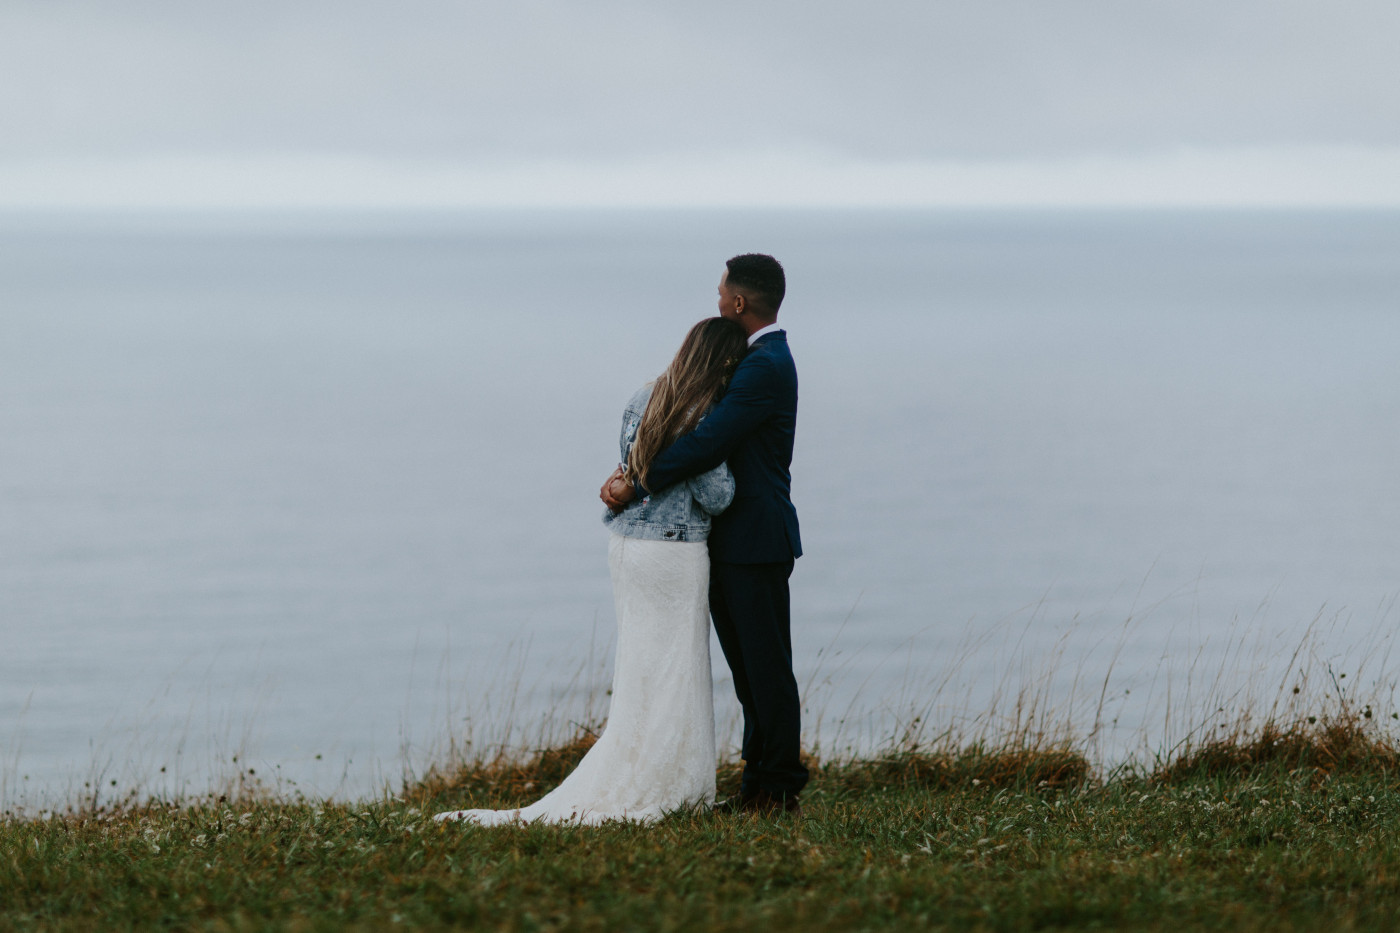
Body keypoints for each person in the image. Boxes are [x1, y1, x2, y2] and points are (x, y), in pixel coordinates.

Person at [434, 316, 748, 825]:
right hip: (672, 552)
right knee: (673, 672)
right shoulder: (701, 414)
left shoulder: (641, 398)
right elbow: (716, 497)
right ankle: (669, 784)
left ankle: (639, 770)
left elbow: (631, 468)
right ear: (723, 365)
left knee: (640, 669)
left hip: (627, 547)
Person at [601, 253, 806, 815]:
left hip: (756, 539)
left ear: (738, 301)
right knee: (748, 673)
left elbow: (707, 443)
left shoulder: (764, 364)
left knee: (765, 671)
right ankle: (757, 786)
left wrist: (635, 482)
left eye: (721, 292)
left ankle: (778, 789)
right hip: (735, 539)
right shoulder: (761, 359)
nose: (717, 299)